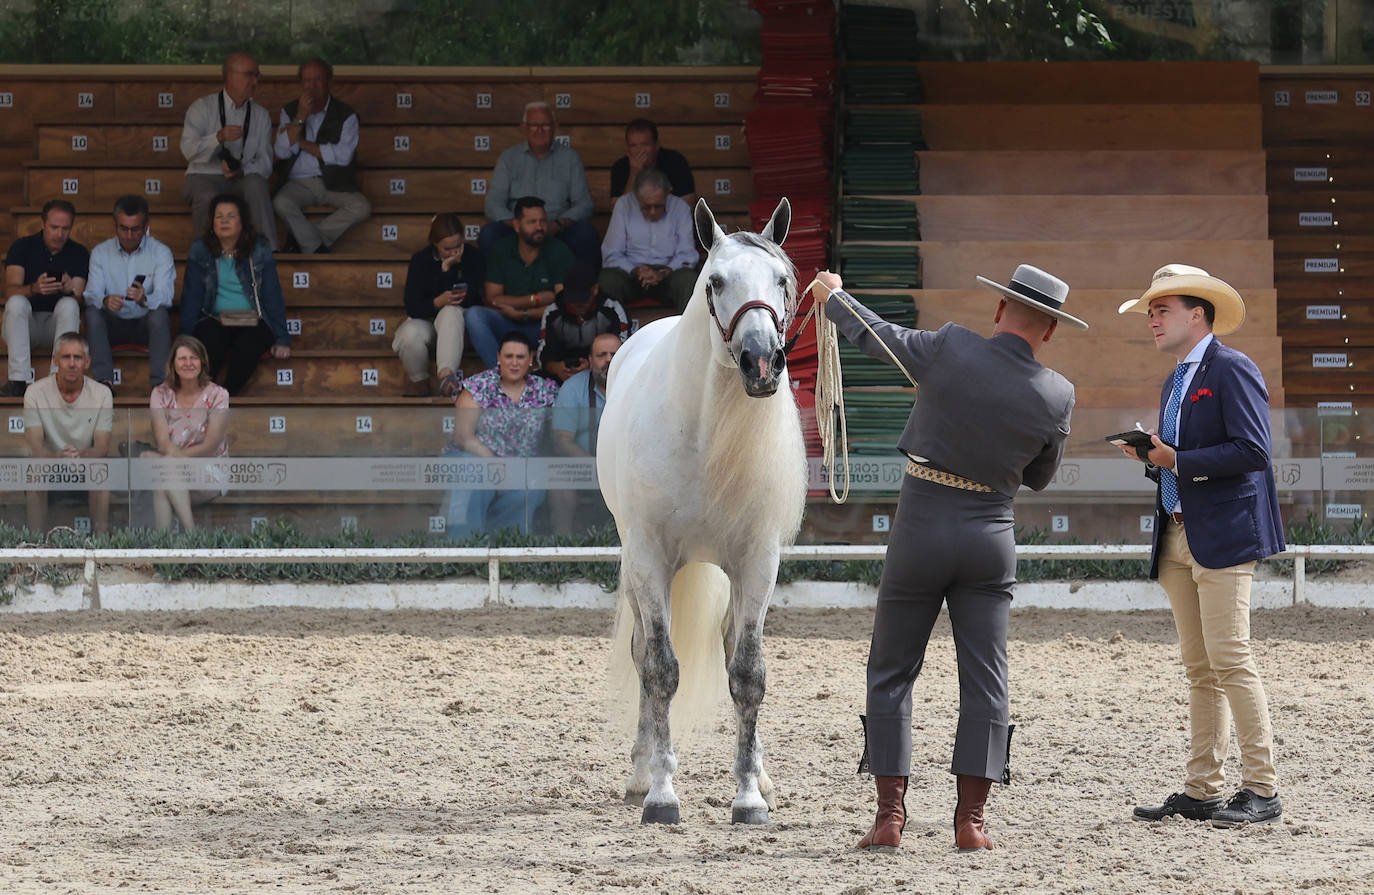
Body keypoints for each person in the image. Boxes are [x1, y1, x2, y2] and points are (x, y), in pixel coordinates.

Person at [810, 264, 1086, 852]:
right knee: (986, 679)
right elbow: (1037, 478)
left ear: (998, 312)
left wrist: (835, 299)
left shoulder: (952, 346)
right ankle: (971, 823)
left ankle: (889, 817)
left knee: (892, 669)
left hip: (922, 524)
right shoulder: (1058, 394)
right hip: (990, 534)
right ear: (1050, 332)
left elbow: (878, 335)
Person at [1117, 264, 1285, 828]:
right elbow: (1190, 458)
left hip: (1222, 534)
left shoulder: (1233, 367)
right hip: (1177, 532)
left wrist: (1175, 460)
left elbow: (1254, 451)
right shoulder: (1177, 379)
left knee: (1230, 659)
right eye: (1150, 313)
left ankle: (1262, 788)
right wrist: (1152, 457)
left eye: (1161, 310)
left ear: (1198, 314)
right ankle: (1203, 788)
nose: (1152, 321)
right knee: (1200, 667)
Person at [445, 331, 560, 538]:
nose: (514, 363)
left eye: (520, 357)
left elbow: (558, 433)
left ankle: (505, 550)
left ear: (531, 359)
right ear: (498, 357)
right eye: (508, 356)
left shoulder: (546, 390)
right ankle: (462, 550)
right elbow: (463, 436)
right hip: (475, 457)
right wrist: (495, 464)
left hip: (521, 463)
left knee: (531, 485)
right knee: (474, 475)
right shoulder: (479, 385)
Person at [180, 193, 291, 395]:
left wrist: (282, 338)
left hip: (253, 319)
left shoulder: (259, 249)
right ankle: (202, 396)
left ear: (243, 221)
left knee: (248, 346)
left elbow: (272, 295)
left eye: (231, 216)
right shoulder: (201, 249)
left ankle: (224, 396)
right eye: (219, 216)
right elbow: (191, 296)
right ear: (212, 222)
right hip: (214, 318)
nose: (224, 221)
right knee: (210, 343)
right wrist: (185, 340)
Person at [479, 101, 598, 268]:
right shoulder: (508, 158)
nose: (540, 130)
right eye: (534, 125)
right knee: (489, 234)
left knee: (586, 233)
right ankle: (490, 291)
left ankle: (586, 291)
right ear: (524, 127)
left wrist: (557, 225)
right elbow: (492, 204)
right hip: (518, 229)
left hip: (555, 228)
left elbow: (584, 204)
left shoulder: (570, 158)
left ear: (555, 126)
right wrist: (518, 226)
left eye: (546, 125)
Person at [272, 58, 371, 254]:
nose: (312, 86)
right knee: (280, 202)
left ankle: (305, 239)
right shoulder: (290, 111)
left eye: (318, 80)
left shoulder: (346, 114)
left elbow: (343, 156)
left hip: (334, 182)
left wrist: (300, 142)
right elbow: (282, 151)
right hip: (298, 182)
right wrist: (300, 116)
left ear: (329, 82)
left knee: (362, 207)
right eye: (307, 81)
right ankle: (315, 247)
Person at [181, 51, 277, 250]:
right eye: (250, 75)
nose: (255, 81)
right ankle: (205, 256)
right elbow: (188, 151)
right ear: (231, 75)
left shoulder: (261, 115)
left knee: (257, 185)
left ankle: (268, 253)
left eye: (257, 75)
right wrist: (218, 138)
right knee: (207, 196)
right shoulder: (202, 108)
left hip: (242, 177)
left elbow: (266, 163)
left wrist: (243, 170)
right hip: (204, 175)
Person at [82, 195, 175, 395]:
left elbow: (166, 296)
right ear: (114, 225)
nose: (130, 235)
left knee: (159, 315)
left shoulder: (161, 252)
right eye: (123, 228)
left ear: (146, 225)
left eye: (136, 229)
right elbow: (91, 294)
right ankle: (104, 384)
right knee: (92, 313)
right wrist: (105, 300)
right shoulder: (100, 252)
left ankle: (160, 387)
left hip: (145, 325)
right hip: (112, 325)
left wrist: (145, 299)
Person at [22, 333, 113, 533]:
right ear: (55, 360)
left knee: (101, 471)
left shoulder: (102, 393)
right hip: (50, 466)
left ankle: (102, 547)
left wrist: (78, 456)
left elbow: (102, 447)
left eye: (78, 358)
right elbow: (36, 448)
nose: (72, 364)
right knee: (35, 473)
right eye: (66, 357)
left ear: (87, 362)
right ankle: (34, 547)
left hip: (85, 466)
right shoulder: (35, 393)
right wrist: (58, 458)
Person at [468, 196, 573, 369]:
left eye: (542, 221)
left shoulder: (559, 250)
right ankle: (499, 375)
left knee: (564, 320)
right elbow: (493, 299)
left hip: (543, 326)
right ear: (516, 225)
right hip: (506, 321)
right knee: (474, 315)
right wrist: (537, 299)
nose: (539, 227)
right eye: (532, 222)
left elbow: (563, 302)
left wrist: (525, 314)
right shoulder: (501, 249)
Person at [394, 213, 485, 398]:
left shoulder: (473, 257)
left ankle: (446, 376)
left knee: (451, 311)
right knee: (409, 333)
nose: (453, 253)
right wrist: (437, 301)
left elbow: (476, 298)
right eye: (447, 249)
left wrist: (450, 272)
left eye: (458, 246)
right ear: (435, 243)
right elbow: (413, 306)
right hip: (428, 323)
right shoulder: (421, 260)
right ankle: (420, 382)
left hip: (459, 328)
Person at [3, 199, 88, 397]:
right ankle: (17, 380)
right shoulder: (22, 247)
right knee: (16, 302)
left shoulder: (78, 252)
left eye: (65, 228)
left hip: (57, 328)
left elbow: (81, 299)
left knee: (69, 304)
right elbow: (9, 291)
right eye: (54, 227)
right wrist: (34, 288)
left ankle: (57, 378)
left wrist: (69, 290)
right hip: (25, 326)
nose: (59, 234)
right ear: (43, 224)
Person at [145, 334, 230, 531]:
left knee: (163, 473)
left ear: (203, 362)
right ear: (173, 363)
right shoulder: (160, 394)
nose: (188, 363)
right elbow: (163, 442)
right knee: (163, 479)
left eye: (194, 358)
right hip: (172, 469)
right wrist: (172, 461)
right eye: (182, 358)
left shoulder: (218, 394)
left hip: (210, 470)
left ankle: (166, 548)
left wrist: (173, 459)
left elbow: (210, 446)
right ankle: (189, 538)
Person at [597, 168, 699, 313]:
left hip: (667, 273)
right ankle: (611, 333)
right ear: (636, 197)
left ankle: (689, 334)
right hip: (631, 273)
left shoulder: (680, 208)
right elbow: (611, 254)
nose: (652, 211)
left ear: (667, 194)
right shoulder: (624, 205)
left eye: (658, 206)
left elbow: (687, 254)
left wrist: (662, 273)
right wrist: (635, 270)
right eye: (646, 207)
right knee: (608, 279)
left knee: (688, 280)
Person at [548, 331, 619, 534]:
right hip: (586, 467)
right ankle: (563, 547)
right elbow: (562, 440)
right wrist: (596, 466)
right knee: (558, 479)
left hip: (626, 468)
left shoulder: (639, 384)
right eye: (601, 355)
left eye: (614, 354)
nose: (609, 360)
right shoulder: (572, 388)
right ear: (590, 360)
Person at [536, 262, 627, 382]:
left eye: (583, 298)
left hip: (603, 371)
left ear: (595, 290)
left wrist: (591, 365)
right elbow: (543, 355)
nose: (578, 303)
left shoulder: (611, 309)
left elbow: (624, 349)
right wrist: (557, 368)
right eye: (573, 298)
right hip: (563, 375)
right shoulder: (553, 312)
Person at [608, 119, 696, 206]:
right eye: (633, 146)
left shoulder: (675, 161)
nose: (639, 151)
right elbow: (618, 211)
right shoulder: (619, 167)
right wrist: (634, 173)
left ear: (657, 145)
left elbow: (687, 204)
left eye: (645, 144)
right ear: (627, 149)